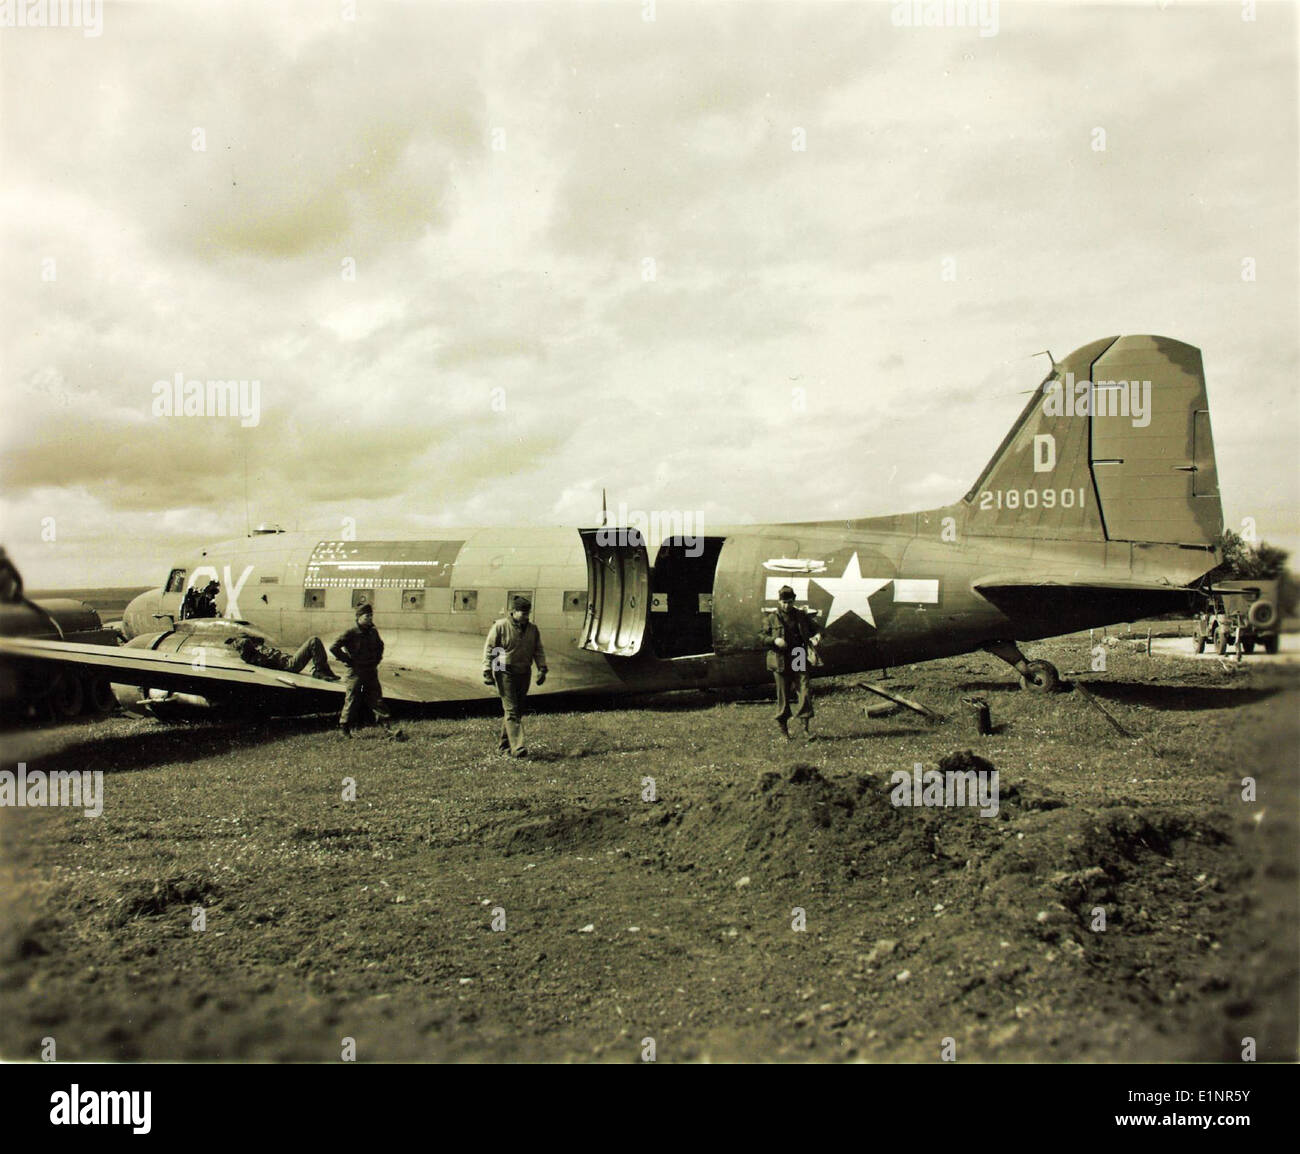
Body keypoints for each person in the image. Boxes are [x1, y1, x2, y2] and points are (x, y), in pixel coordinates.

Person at [482, 596, 548, 758]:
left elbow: (538, 650)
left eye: (528, 613)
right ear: (513, 611)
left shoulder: (533, 629)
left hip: (524, 671)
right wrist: (487, 670)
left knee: (516, 711)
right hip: (504, 671)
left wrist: (542, 668)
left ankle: (504, 747)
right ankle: (518, 748)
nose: (526, 616)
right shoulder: (500, 626)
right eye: (523, 613)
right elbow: (491, 648)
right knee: (511, 710)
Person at [759, 585, 822, 739]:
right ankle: (784, 732)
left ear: (794, 600)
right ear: (779, 601)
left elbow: (817, 629)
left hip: (798, 654)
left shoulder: (801, 615)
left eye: (789, 601)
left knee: (804, 691)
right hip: (780, 657)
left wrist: (817, 636)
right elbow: (761, 637)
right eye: (783, 602)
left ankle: (805, 729)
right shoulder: (771, 617)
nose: (786, 605)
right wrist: (775, 640)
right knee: (783, 695)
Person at [330, 603, 394, 737]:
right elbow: (334, 647)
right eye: (367, 616)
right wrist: (348, 660)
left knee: (377, 699)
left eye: (371, 616)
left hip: (370, 671)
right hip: (356, 672)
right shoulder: (351, 632)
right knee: (352, 699)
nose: (370, 618)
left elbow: (380, 646)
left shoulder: (373, 631)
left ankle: (387, 728)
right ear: (359, 617)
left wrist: (377, 660)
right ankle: (345, 728)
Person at [224, 633, 340, 680]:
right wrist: (236, 640)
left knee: (314, 641)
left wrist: (239, 637)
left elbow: (259, 640)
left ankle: (323, 670)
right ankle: (321, 670)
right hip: (290, 665)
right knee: (313, 641)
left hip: (290, 662)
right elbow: (245, 643)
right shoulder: (254, 656)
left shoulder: (256, 650)